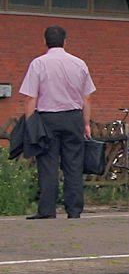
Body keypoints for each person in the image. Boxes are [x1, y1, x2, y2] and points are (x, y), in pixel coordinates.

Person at [18, 25, 96, 219]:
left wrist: (30, 124)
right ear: (65, 41)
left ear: (44, 41)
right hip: (73, 118)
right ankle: (74, 210)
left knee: (47, 164)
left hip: (47, 119)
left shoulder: (38, 64)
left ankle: (46, 210)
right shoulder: (79, 64)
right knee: (74, 164)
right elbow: (86, 98)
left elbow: (30, 98)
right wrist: (86, 123)